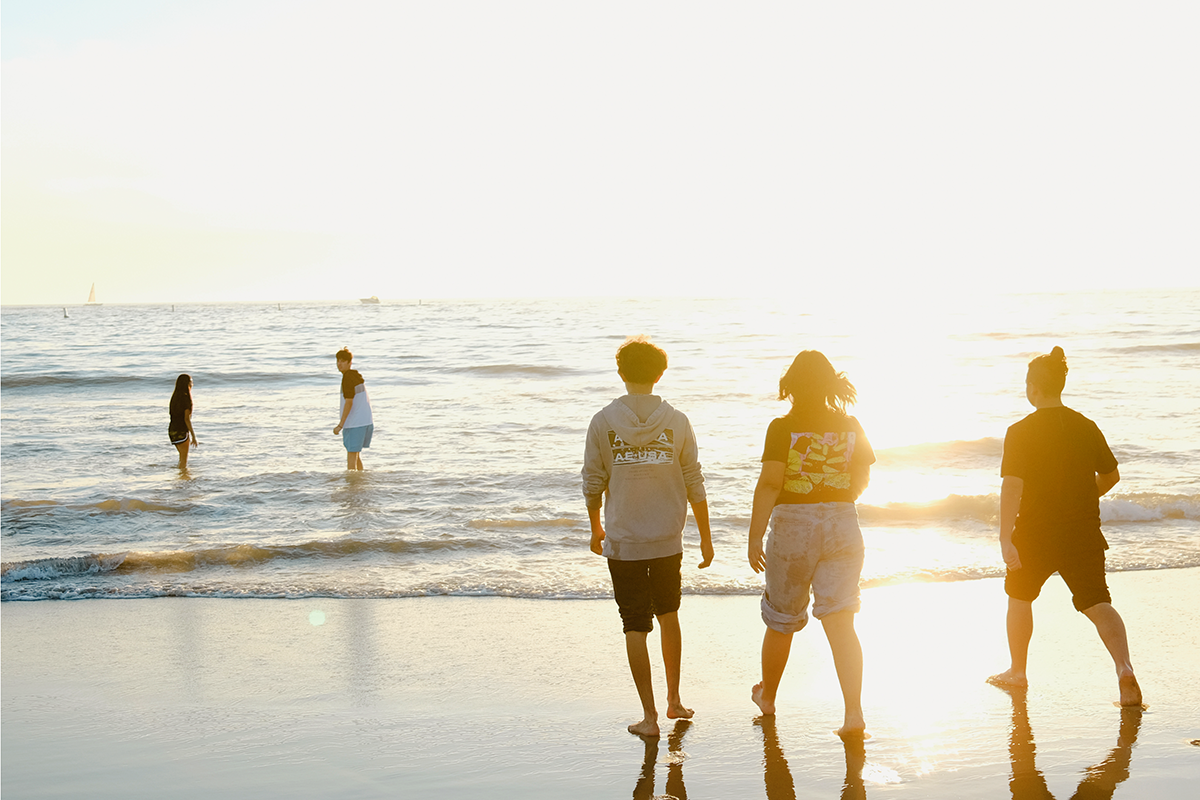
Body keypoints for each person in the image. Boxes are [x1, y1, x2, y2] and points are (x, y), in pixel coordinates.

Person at [988, 347, 1142, 706]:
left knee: (1019, 597)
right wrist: (1085, 497)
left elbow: (1012, 487)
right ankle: (1124, 667)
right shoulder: (1086, 426)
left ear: (1033, 388)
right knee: (1098, 602)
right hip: (1083, 532)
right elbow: (1111, 476)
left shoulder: (1019, 431)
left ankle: (1018, 672)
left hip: (1035, 533)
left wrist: (1005, 537)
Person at [582, 336, 714, 738]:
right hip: (667, 538)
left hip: (624, 541)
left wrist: (596, 527)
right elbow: (694, 482)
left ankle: (650, 717)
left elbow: (592, 482)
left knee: (634, 625)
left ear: (620, 372)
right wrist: (706, 537)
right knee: (669, 615)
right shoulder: (677, 421)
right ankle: (674, 700)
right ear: (660, 374)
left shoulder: (603, 421)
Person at [747, 350, 874, 738]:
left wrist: (754, 536)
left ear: (791, 387)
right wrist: (838, 500)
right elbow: (863, 474)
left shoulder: (781, 428)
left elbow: (771, 483)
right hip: (842, 523)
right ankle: (854, 714)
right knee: (841, 620)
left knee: (781, 618)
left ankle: (768, 698)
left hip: (794, 528)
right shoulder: (850, 424)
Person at [333, 347, 374, 471]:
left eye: (343, 361)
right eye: (338, 361)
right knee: (355, 455)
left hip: (355, 423)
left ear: (349, 362)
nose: (339, 364)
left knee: (351, 459)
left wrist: (340, 425)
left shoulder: (347, 378)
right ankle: (360, 479)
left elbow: (349, 402)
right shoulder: (356, 376)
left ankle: (352, 483)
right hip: (365, 421)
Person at [168, 373, 199, 469]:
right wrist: (193, 436)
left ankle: (181, 475)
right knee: (184, 459)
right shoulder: (186, 399)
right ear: (187, 384)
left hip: (172, 430)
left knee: (181, 458)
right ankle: (183, 476)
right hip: (181, 431)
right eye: (191, 382)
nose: (192, 384)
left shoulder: (174, 398)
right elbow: (186, 419)